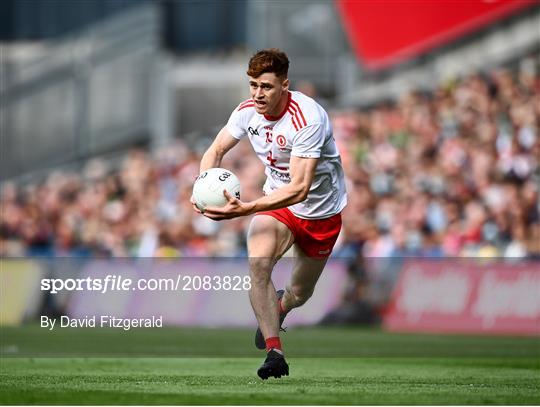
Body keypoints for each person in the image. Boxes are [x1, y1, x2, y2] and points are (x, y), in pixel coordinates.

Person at [192, 48, 347, 379]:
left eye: (266, 86)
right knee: (258, 264)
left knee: (300, 293)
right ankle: (275, 352)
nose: (257, 94)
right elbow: (216, 149)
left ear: (284, 85)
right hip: (279, 205)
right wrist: (203, 187)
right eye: (252, 85)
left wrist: (245, 208)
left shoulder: (309, 118)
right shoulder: (246, 112)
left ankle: (281, 306)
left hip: (320, 212)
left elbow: (300, 188)